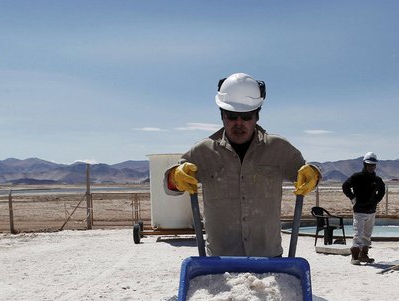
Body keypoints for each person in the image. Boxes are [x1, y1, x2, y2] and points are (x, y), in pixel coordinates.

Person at [164, 72, 321, 257]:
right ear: (222, 115)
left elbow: (307, 175)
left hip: (268, 258)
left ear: (257, 116)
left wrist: (314, 175)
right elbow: (170, 187)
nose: (239, 123)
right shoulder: (203, 151)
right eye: (232, 116)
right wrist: (175, 177)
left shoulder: (279, 149)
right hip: (219, 261)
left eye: (246, 116)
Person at [342, 152, 386, 265]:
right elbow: (345, 186)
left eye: (373, 165)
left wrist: (376, 200)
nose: (371, 167)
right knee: (358, 234)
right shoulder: (357, 177)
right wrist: (352, 197)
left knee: (367, 234)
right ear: (364, 164)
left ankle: (364, 255)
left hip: (371, 211)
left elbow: (382, 190)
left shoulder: (377, 179)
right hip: (360, 211)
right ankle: (354, 257)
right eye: (369, 165)